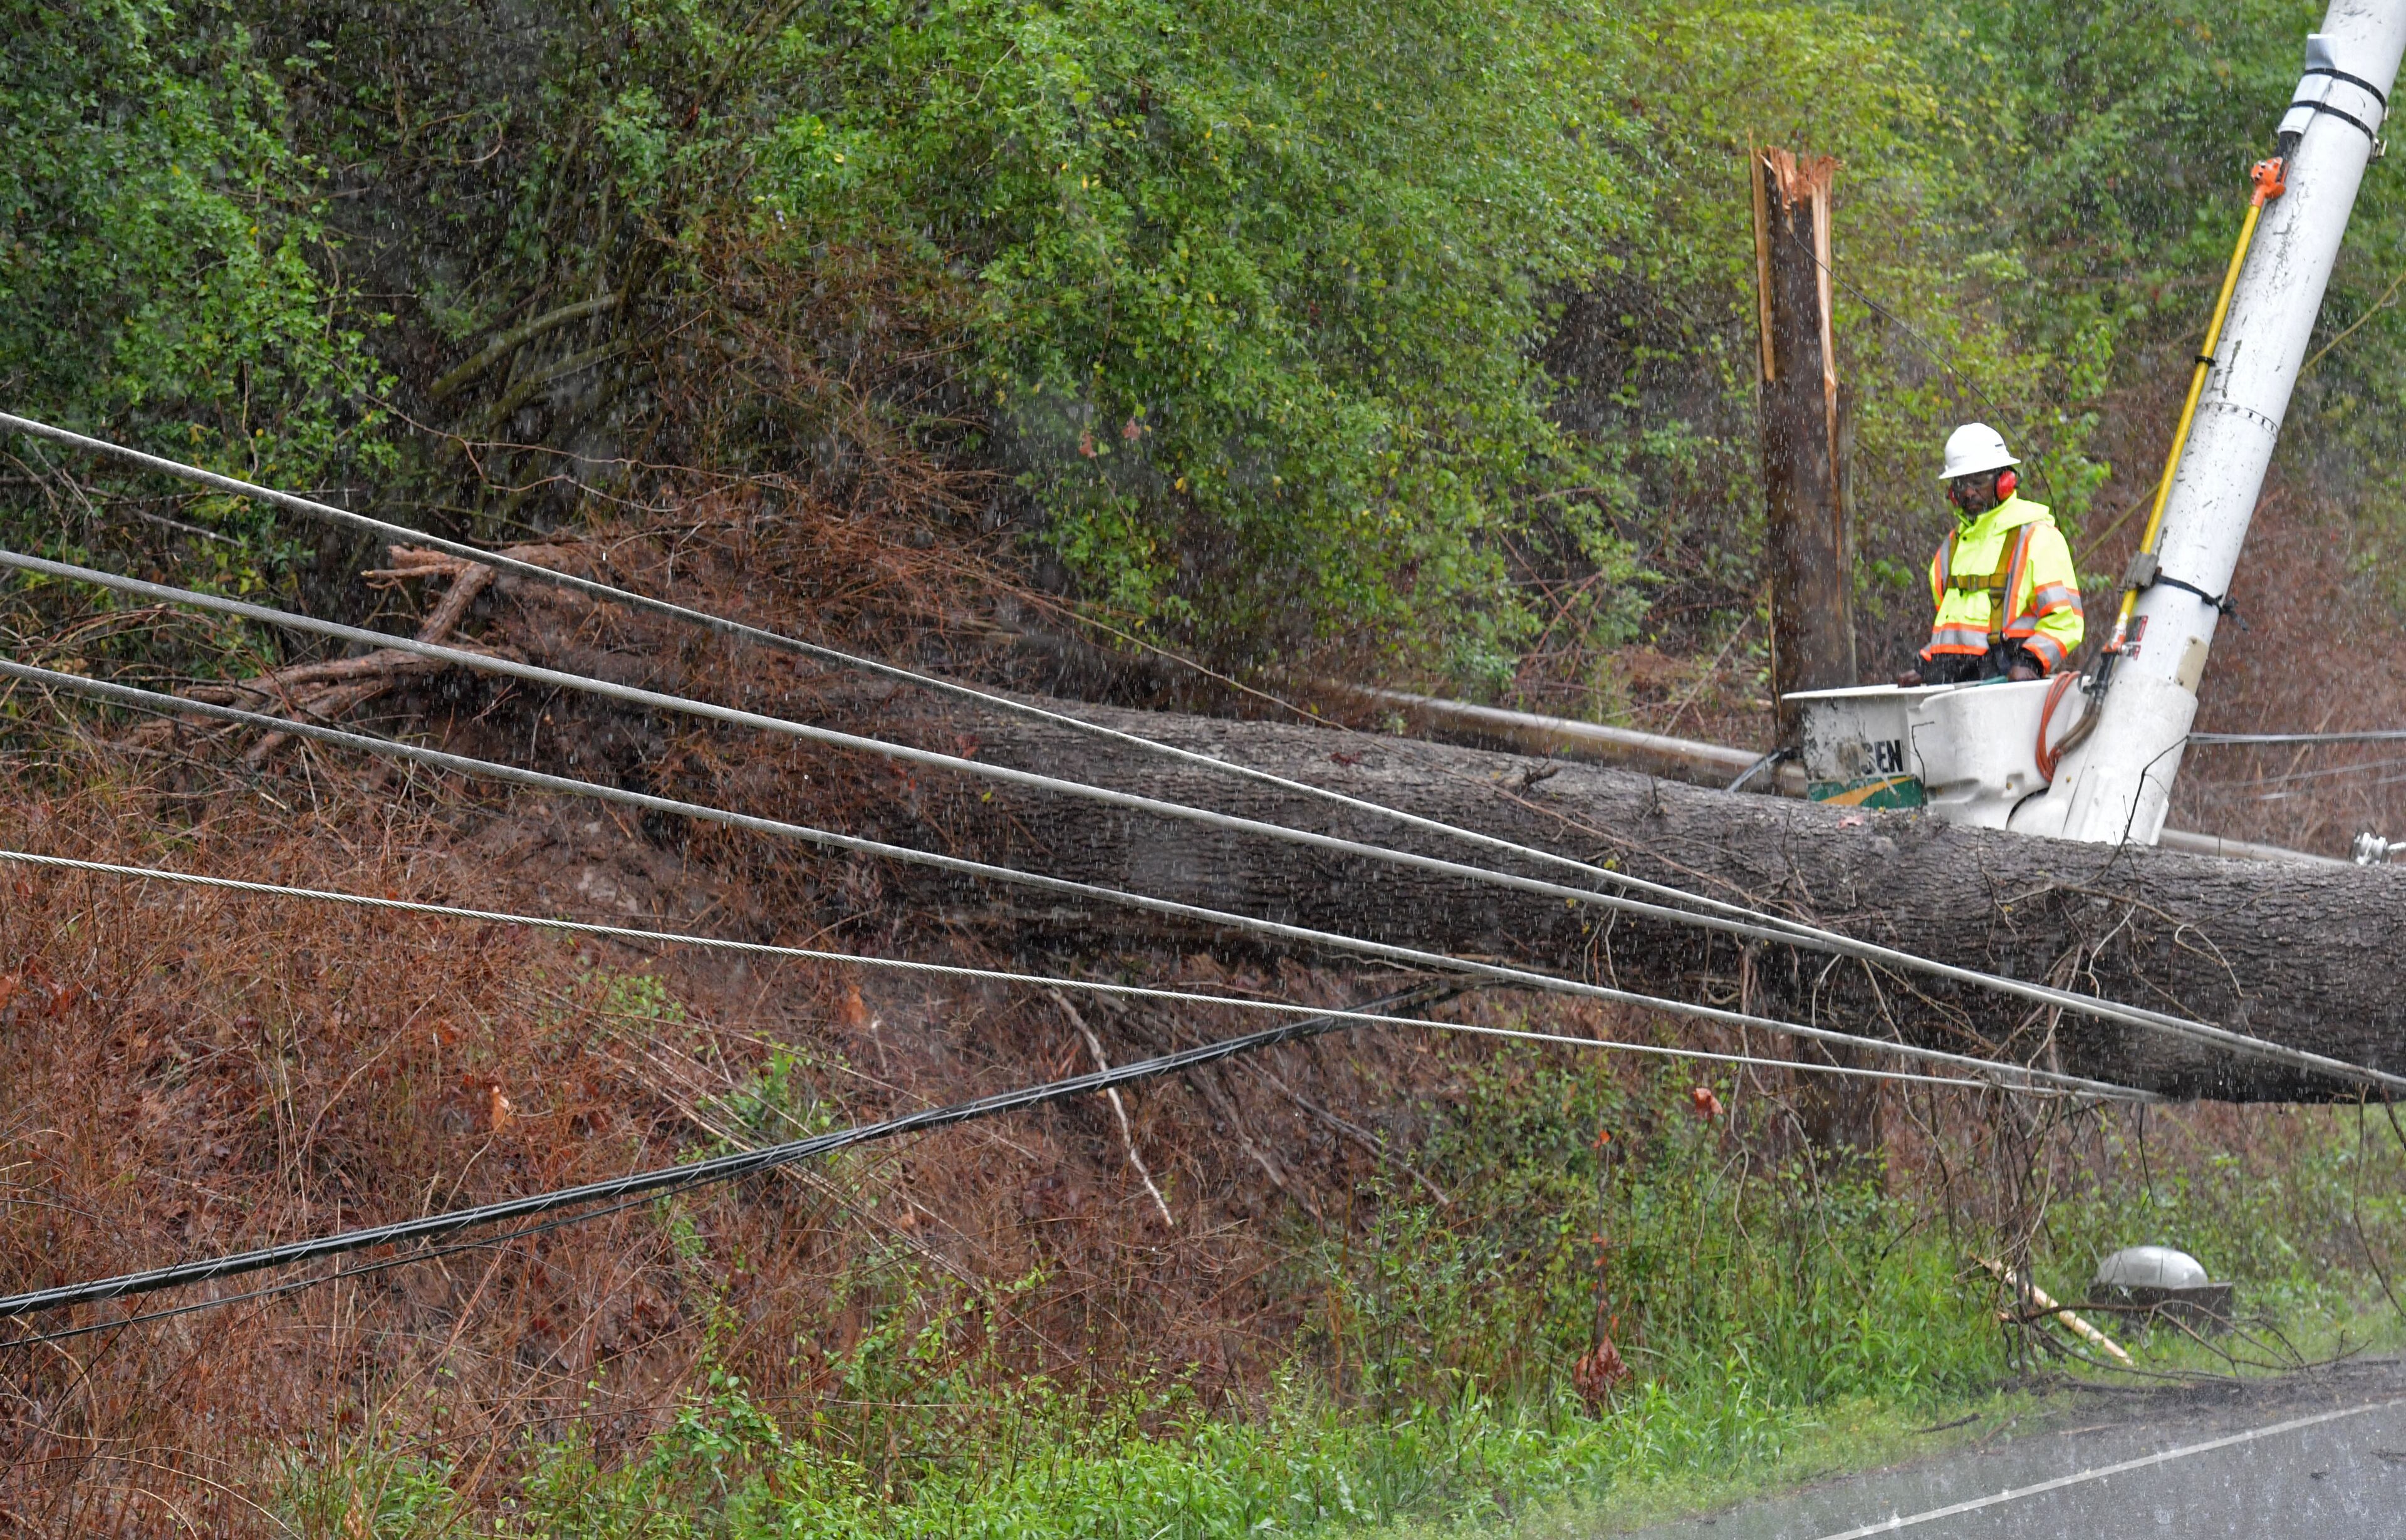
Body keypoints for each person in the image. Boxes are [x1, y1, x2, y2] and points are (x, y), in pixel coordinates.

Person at [1896, 422, 2083, 687]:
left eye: (1978, 481)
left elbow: (2066, 620)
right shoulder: (1953, 546)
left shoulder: (2036, 537)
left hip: (2004, 687)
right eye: (1961, 483)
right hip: (1952, 689)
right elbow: (1954, 628)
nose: (1969, 492)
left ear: (2005, 480)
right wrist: (1928, 664)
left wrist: (2031, 661)